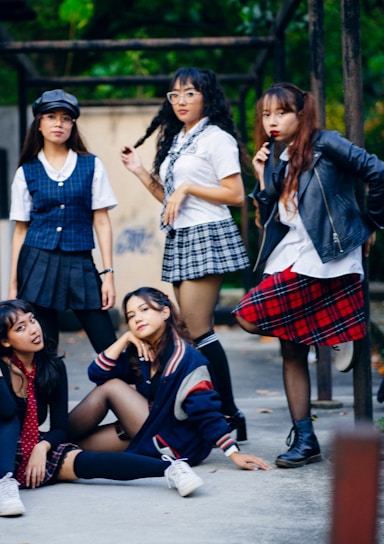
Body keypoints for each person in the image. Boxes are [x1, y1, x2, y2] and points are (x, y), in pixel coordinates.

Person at [233, 82, 384, 468]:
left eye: (281, 113)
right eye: (266, 115)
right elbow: (271, 215)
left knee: (247, 314)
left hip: (328, 254)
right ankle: (305, 438)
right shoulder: (275, 156)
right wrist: (261, 178)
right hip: (292, 252)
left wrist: (370, 223)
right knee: (290, 347)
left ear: (301, 114)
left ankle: (335, 331)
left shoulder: (326, 143)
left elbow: (381, 174)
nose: (271, 121)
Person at [0, 299, 212, 518]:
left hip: (25, 446)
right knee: (10, 419)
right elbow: (5, 412)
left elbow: (61, 428)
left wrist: (43, 446)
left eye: (32, 320)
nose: (34, 329)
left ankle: (170, 469)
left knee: (84, 461)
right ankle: (5, 484)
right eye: (21, 327)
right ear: (5, 341)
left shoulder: (51, 367)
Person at [119, 68, 250, 440]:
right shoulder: (179, 139)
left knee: (198, 330)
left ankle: (229, 413)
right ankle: (206, 411)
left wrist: (188, 187)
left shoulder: (216, 138)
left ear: (206, 96)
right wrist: (141, 172)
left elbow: (236, 194)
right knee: (189, 333)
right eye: (174, 95)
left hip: (208, 234)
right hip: (182, 235)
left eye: (189, 93)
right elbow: (170, 202)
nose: (180, 101)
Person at [67, 287, 272, 472]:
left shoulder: (187, 359)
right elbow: (96, 374)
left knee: (112, 387)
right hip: (148, 428)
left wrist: (233, 453)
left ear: (165, 312)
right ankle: (46, 445)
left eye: (144, 309)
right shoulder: (142, 351)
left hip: (175, 441)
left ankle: (50, 437)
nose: (137, 318)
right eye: (131, 316)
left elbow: (206, 411)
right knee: (75, 448)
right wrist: (124, 339)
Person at [8, 89, 117, 354]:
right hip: (36, 262)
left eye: (66, 118)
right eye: (51, 116)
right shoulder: (26, 171)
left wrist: (108, 275)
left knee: (107, 343)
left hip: (79, 260)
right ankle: (50, 397)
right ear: (40, 124)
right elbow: (21, 229)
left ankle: (126, 393)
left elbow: (101, 221)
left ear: (73, 125)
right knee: (44, 350)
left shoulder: (91, 165)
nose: (59, 123)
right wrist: (13, 284)